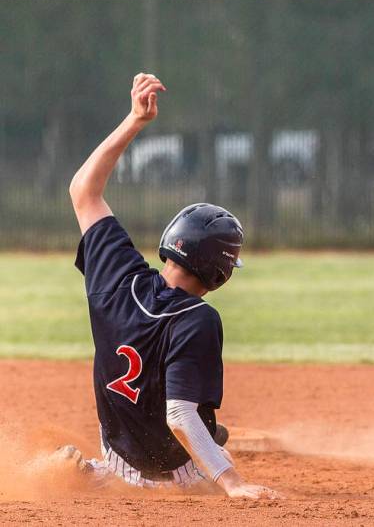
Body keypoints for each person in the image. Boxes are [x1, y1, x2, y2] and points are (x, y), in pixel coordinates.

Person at [66, 72, 280, 499]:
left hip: (118, 449)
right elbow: (180, 415)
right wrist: (233, 484)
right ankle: (137, 480)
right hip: (171, 476)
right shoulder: (197, 320)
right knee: (208, 434)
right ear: (218, 273)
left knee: (207, 428)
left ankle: (102, 472)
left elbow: (83, 190)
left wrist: (134, 120)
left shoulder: (119, 277)